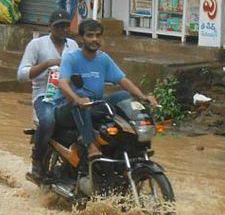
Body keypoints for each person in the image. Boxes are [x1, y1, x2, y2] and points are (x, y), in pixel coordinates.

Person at [57, 19, 158, 164]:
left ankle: (134, 141)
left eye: (98, 36)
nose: (94, 39)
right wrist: (77, 99)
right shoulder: (71, 58)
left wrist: (143, 97)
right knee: (81, 103)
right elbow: (62, 83)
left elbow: (122, 81)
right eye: (90, 35)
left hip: (95, 104)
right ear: (81, 38)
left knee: (124, 96)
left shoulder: (103, 59)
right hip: (67, 107)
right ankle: (90, 145)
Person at [17, 9, 80, 182]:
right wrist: (46, 64)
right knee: (48, 121)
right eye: (58, 26)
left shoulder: (73, 46)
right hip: (44, 96)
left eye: (65, 26)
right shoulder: (36, 45)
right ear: (50, 27)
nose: (63, 30)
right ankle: (37, 161)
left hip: (67, 95)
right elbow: (21, 75)